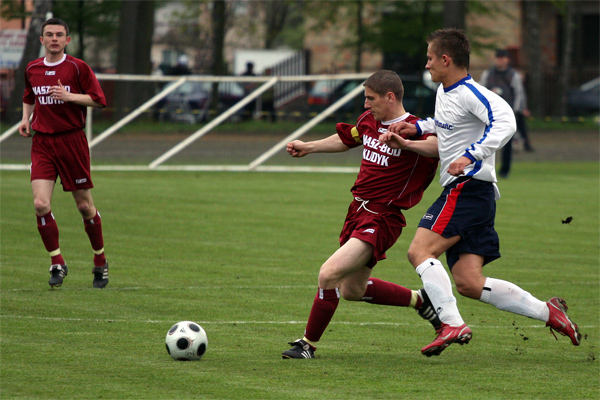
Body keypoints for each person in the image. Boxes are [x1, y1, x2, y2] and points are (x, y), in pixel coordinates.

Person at [379, 28, 581, 357]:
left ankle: (452, 323)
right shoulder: (446, 92)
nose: (426, 64)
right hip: (477, 196)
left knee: (419, 252)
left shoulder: (473, 93)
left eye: (430, 58)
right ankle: (549, 312)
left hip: (468, 189)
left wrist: (471, 155)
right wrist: (415, 128)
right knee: (469, 282)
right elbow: (445, 125)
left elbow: (506, 123)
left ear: (446, 60)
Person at [282, 70, 442, 359]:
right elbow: (349, 138)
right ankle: (421, 301)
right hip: (357, 211)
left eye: (371, 98)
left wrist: (405, 143)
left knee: (328, 274)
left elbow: (438, 147)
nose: (366, 105)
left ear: (390, 97)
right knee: (353, 290)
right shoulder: (370, 122)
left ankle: (307, 345)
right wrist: (309, 147)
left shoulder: (414, 128)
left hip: (383, 217)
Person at [18, 18, 109, 289]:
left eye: (59, 35)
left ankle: (99, 260)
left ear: (67, 40)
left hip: (72, 142)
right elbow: (29, 95)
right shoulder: (32, 68)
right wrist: (26, 119)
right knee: (40, 204)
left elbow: (99, 100)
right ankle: (57, 261)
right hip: (43, 143)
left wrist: (70, 97)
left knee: (84, 206)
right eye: (49, 34)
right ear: (42, 40)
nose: (54, 38)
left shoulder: (77, 67)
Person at [480, 49, 533, 178]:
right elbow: (480, 91)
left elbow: (519, 94)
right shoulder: (488, 74)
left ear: (507, 59)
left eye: (502, 58)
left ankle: (505, 170)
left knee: (507, 144)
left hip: (506, 114)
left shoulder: (512, 75)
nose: (500, 60)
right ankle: (482, 169)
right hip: (489, 114)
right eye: (498, 58)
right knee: (484, 142)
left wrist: (515, 111)